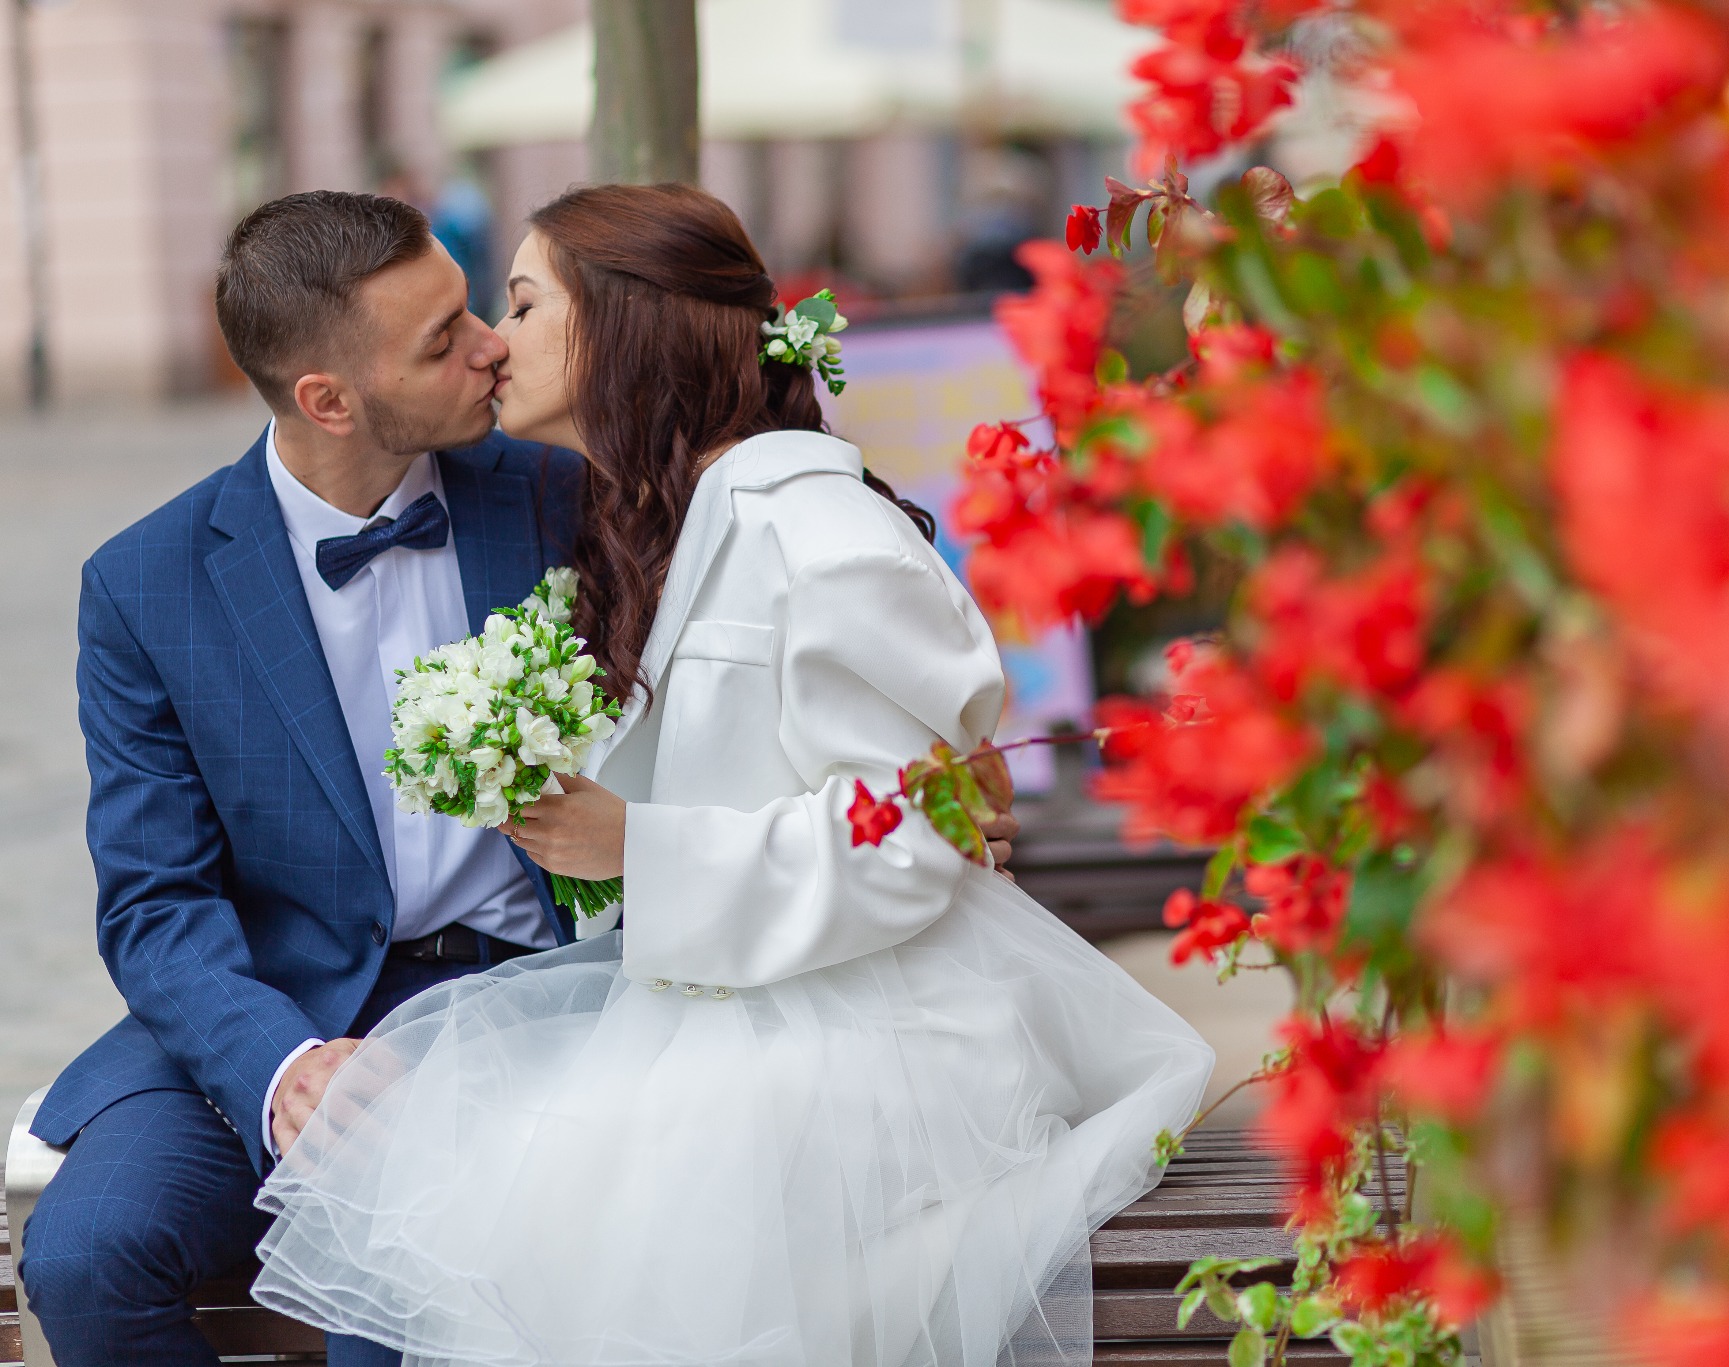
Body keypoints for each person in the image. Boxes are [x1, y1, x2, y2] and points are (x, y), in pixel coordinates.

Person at [12, 189, 1018, 1367]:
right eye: (444, 338)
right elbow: (153, 901)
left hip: (522, 1003)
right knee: (82, 1261)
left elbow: (812, 659)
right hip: (268, 1017)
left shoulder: (574, 490)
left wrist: (915, 810)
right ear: (328, 399)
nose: (491, 344)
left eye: (480, 303)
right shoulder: (146, 582)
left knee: (395, 1301)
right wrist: (283, 1065)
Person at [248, 183, 1215, 1367]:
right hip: (739, 991)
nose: (497, 343)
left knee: (602, 1213)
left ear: (623, 324)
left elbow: (914, 833)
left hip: (878, 1027)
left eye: (523, 301)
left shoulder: (816, 534)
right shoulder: (674, 516)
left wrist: (631, 847)